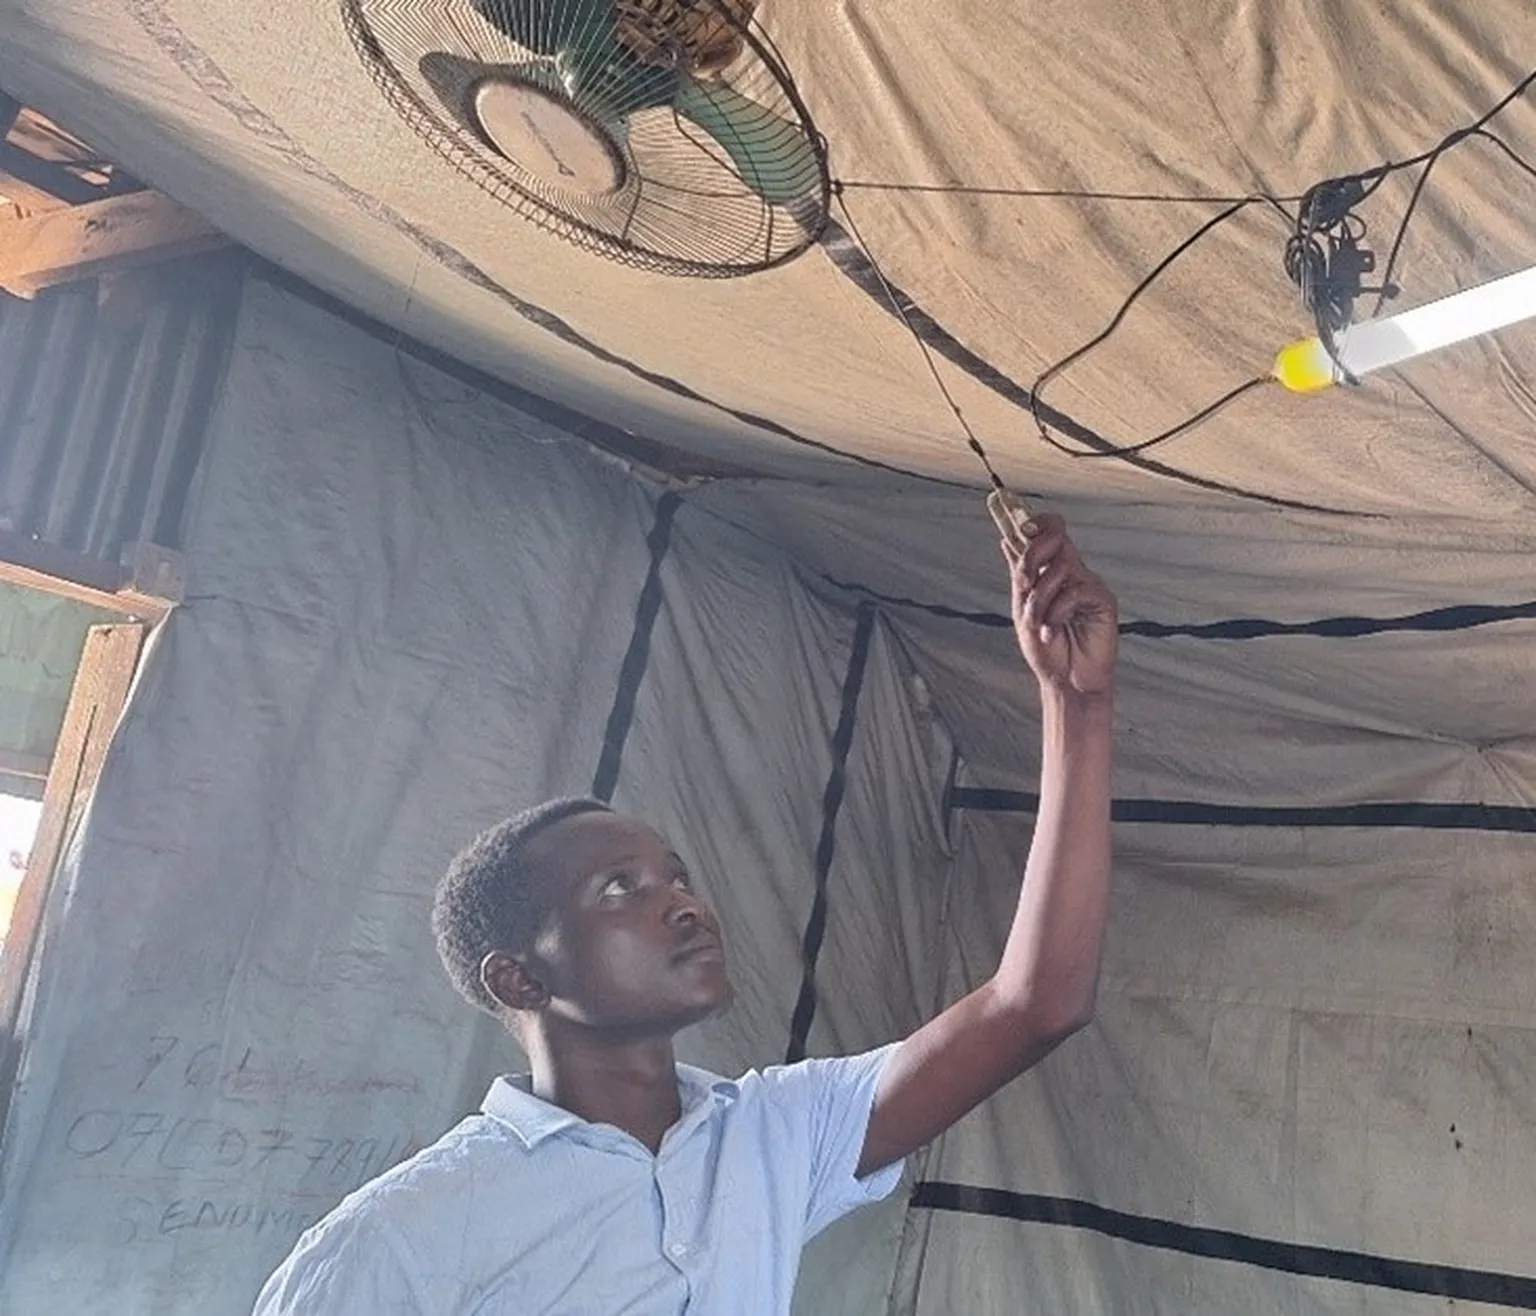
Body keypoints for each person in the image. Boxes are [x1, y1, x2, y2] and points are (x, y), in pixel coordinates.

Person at [254, 513, 1118, 1314]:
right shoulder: (399, 1235)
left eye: (675, 876)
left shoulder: (774, 1135)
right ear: (519, 976)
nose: (682, 903)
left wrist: (1075, 705)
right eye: (618, 889)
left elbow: (1035, 1004)